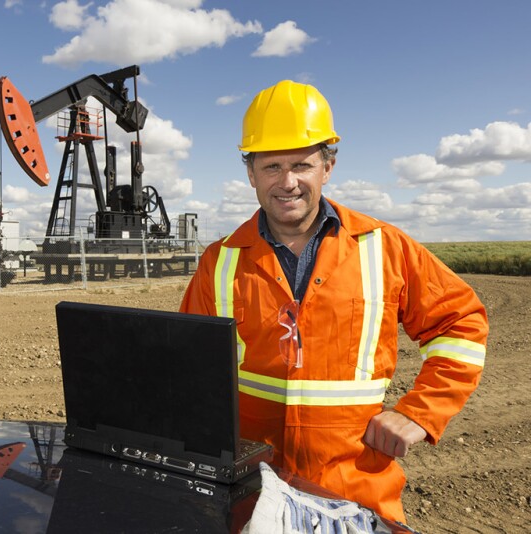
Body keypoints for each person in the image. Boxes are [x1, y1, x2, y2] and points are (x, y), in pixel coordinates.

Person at [179, 80, 488, 523]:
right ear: (251, 174)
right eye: (272, 166)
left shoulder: (385, 247)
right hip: (250, 491)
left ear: (328, 167)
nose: (288, 182)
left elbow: (461, 324)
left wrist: (421, 413)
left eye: (302, 165)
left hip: (355, 493)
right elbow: (190, 367)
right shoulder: (220, 260)